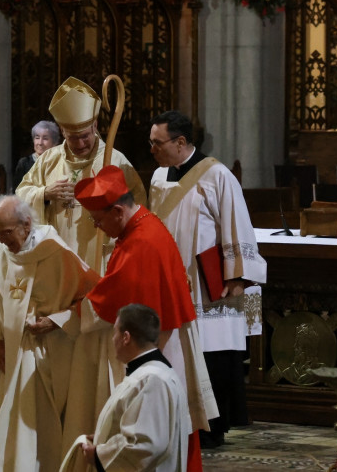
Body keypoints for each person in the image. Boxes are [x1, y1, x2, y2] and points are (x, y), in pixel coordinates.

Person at [65, 165, 215, 472]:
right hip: (164, 337)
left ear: (118, 211)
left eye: (98, 219)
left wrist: (75, 306)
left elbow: (112, 300)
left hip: (160, 346)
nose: (97, 227)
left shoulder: (140, 243)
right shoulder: (143, 226)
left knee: (156, 428)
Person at [147, 110, 266, 448]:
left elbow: (236, 223)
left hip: (205, 282)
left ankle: (210, 427)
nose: (152, 149)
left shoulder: (217, 175)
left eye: (158, 143)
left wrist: (238, 276)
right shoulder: (157, 177)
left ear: (181, 142)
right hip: (169, 279)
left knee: (211, 352)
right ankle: (176, 422)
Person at [0, 196, 99, 472]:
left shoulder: (56, 252)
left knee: (37, 421)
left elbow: (91, 297)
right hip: (11, 349)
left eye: (7, 233)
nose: (2, 240)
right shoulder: (1, 253)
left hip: (47, 352)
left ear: (27, 224)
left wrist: (55, 321)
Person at [16, 77, 146, 272]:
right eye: (72, 137)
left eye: (84, 136)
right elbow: (20, 195)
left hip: (101, 256)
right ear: (62, 131)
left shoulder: (115, 160)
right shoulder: (49, 160)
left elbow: (138, 207)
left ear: (95, 126)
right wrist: (44, 194)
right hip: (57, 256)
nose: (79, 144)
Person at [61, 304, 193, 472]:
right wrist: (104, 437)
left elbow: (145, 444)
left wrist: (98, 455)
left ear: (126, 337)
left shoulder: (151, 380)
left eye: (114, 332)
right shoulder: (152, 374)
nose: (112, 338)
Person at [13, 120, 60, 191]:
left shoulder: (59, 162)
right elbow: (17, 191)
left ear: (54, 143)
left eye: (45, 138)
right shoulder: (24, 163)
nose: (40, 143)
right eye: (37, 138)